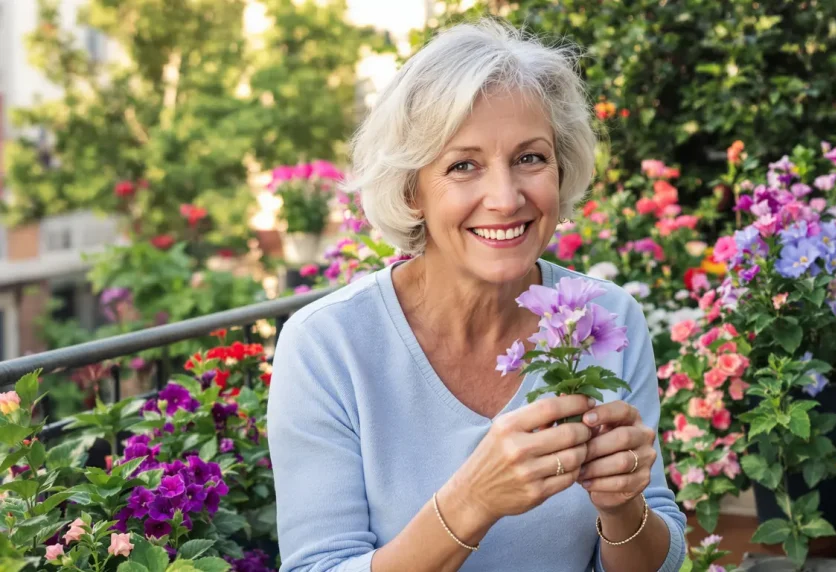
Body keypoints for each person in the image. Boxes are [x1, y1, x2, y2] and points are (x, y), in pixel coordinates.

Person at [267, 20, 687, 572]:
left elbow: (658, 557)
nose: (505, 197)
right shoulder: (328, 345)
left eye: (530, 158)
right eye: (463, 165)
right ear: (411, 189)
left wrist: (622, 504)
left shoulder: (601, 317)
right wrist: (471, 502)